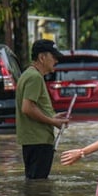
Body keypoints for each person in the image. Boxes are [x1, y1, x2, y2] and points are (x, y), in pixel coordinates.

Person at [16, 39, 70, 179]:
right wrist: (53, 122)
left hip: (34, 140)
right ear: (42, 57)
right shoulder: (35, 77)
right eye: (53, 57)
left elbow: (33, 107)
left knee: (35, 183)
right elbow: (27, 108)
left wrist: (54, 116)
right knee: (38, 185)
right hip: (38, 141)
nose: (56, 61)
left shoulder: (28, 75)